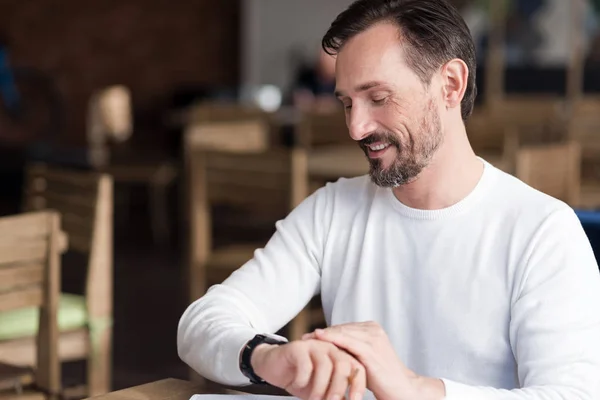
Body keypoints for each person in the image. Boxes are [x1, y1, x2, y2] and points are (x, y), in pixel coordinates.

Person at [178, 0, 600, 399]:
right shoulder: (331, 210)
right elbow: (201, 323)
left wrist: (414, 389)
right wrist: (268, 357)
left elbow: (573, 394)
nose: (357, 128)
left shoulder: (542, 231)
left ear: (450, 85)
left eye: (378, 98)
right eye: (346, 103)